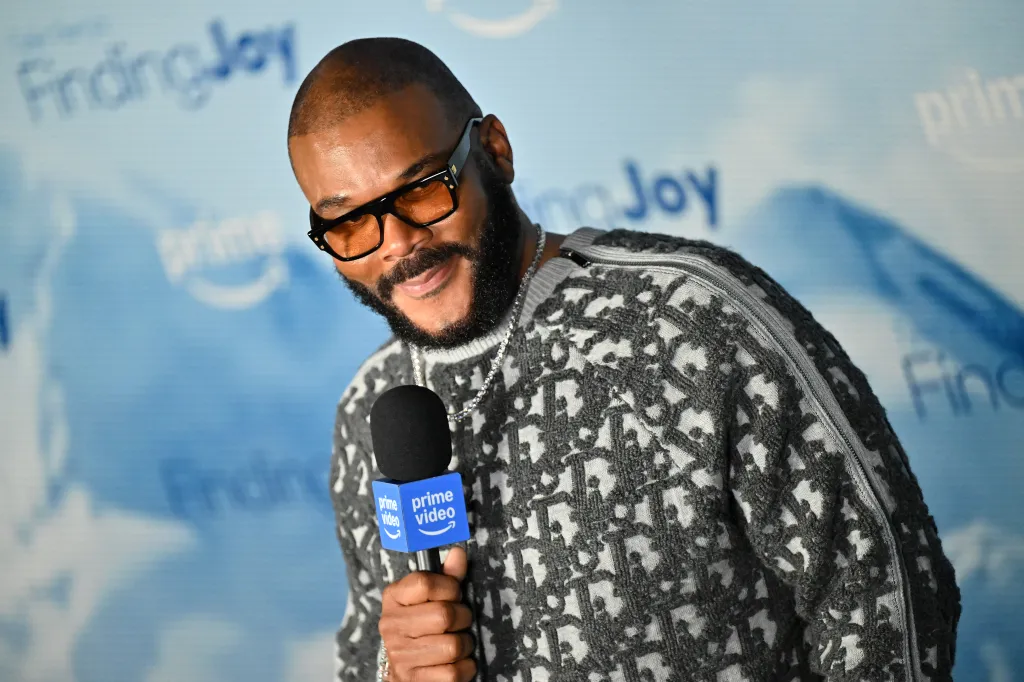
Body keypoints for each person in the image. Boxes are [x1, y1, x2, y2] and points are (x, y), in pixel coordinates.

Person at [286, 37, 960, 682]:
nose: (397, 242)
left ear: (495, 150)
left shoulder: (693, 316)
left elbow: (887, 588)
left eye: (422, 188)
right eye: (349, 221)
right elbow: (364, 650)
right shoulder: (370, 407)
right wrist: (398, 670)